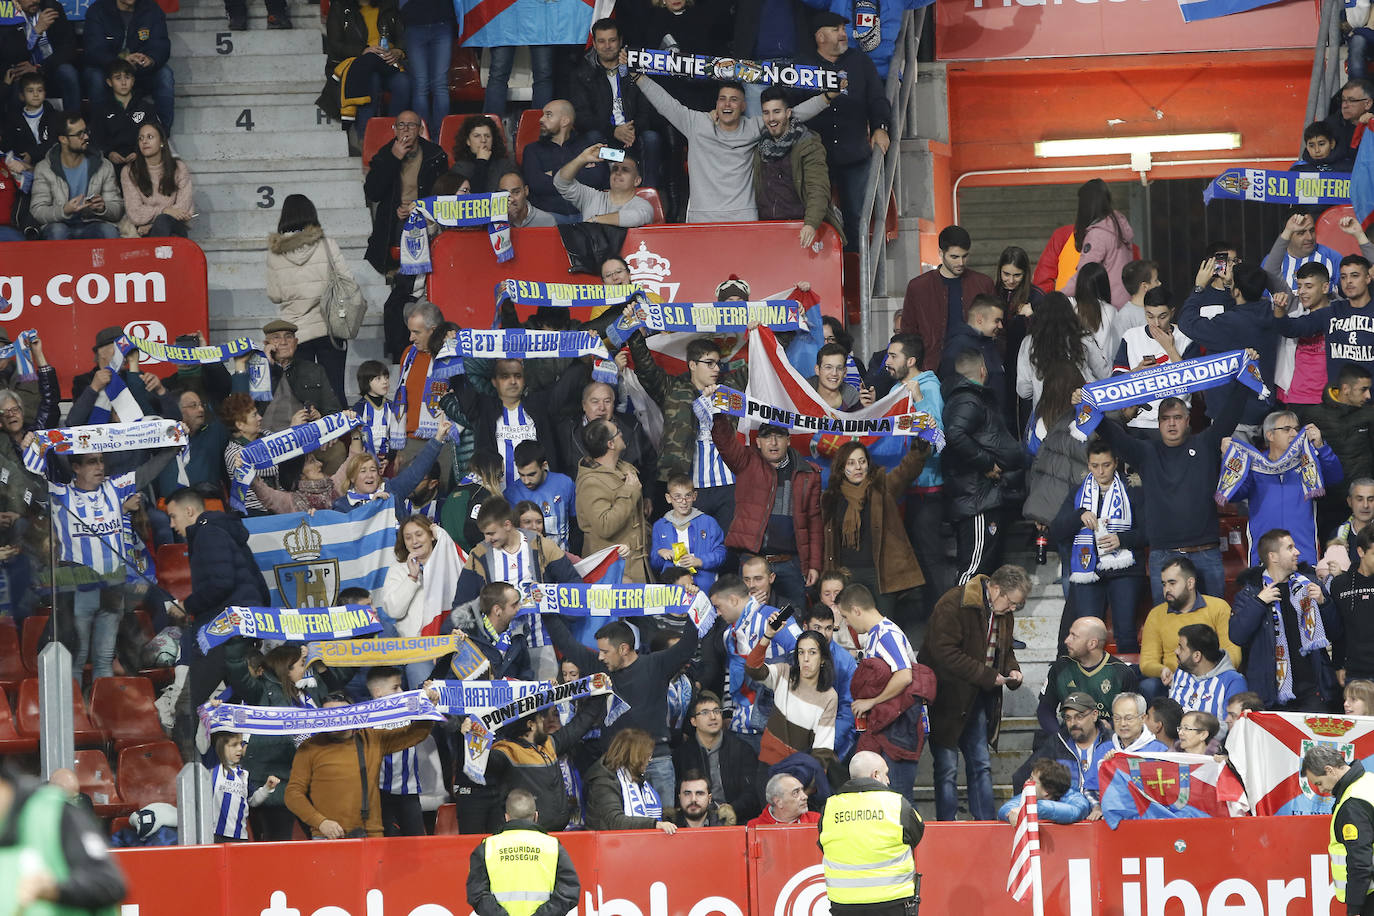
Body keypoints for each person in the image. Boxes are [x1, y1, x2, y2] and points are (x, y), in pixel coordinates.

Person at [1088, 355, 1252, 600]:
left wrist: (1246, 371)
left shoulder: (1205, 443)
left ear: (1188, 421)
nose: (1171, 423)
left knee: (1212, 628)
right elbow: (1110, 432)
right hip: (1163, 555)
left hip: (1205, 552)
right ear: (1158, 423)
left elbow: (1231, 413)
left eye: (1177, 418)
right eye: (1165, 418)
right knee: (1167, 630)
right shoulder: (1146, 452)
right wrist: (1085, 405)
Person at [632, 73, 831, 223]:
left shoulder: (754, 127)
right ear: (716, 103)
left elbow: (794, 114)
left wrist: (828, 97)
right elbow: (666, 104)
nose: (727, 104)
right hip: (702, 220)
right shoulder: (696, 123)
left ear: (743, 106)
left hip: (744, 219)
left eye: (734, 99)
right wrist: (639, 77)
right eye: (722, 99)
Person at [547, 617, 699, 804]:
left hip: (656, 761)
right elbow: (566, 643)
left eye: (605, 651)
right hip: (616, 765)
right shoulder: (600, 668)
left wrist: (694, 609)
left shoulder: (656, 664)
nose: (600, 656)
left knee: (665, 825)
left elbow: (687, 646)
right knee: (621, 829)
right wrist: (546, 608)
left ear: (624, 649)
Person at [918, 565, 1028, 821]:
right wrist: (990, 676)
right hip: (945, 697)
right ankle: (946, 826)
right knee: (947, 767)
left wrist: (1013, 670)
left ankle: (985, 824)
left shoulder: (1002, 611)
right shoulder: (953, 602)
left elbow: (1005, 649)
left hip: (977, 697)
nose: (1012, 609)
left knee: (981, 765)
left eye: (1017, 606)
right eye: (1012, 603)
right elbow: (945, 653)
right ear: (996, 588)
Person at [165, 486, 272, 729]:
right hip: (243, 626)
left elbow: (220, 583)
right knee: (234, 709)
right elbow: (258, 584)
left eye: (173, 516)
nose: (171, 524)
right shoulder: (223, 531)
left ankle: (184, 765)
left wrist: (186, 605)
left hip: (222, 631)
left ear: (190, 511)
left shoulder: (207, 534)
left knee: (187, 706)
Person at [626, 329, 746, 530]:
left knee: (728, 548)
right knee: (689, 547)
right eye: (709, 363)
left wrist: (770, 326)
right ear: (692, 365)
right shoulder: (672, 388)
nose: (716, 369)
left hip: (728, 484)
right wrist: (634, 333)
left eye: (718, 363)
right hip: (686, 487)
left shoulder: (729, 389)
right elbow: (646, 368)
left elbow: (764, 362)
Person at [219, 644, 335, 839]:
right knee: (277, 847)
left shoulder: (309, 689)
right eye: (301, 664)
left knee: (322, 840)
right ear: (286, 669)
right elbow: (238, 673)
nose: (305, 668)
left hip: (309, 781)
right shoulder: (262, 691)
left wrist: (320, 662)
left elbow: (338, 685)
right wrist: (235, 639)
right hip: (275, 785)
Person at [285, 691, 435, 839]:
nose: (334, 718)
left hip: (370, 833)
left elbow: (414, 734)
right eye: (328, 713)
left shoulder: (372, 739)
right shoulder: (309, 747)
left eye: (339, 713)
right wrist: (320, 822)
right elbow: (293, 793)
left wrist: (429, 708)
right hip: (326, 835)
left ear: (353, 714)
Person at [711, 416, 823, 611]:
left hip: (790, 563)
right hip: (752, 561)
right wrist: (717, 415)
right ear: (758, 442)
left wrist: (814, 565)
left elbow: (814, 523)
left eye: (779, 436)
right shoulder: (746, 462)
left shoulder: (808, 472)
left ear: (788, 440)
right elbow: (725, 442)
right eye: (767, 437)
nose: (773, 442)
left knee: (794, 619)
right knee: (750, 617)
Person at [798, 11, 889, 252]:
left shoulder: (860, 62)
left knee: (858, 217)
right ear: (820, 36)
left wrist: (880, 128)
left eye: (842, 29)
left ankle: (858, 275)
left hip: (855, 154)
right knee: (816, 216)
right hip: (816, 158)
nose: (843, 34)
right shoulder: (802, 64)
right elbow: (791, 107)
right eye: (836, 29)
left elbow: (878, 100)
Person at [1047, 440, 1146, 652]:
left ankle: (1128, 683)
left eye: (1106, 465)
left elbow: (1150, 533)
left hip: (1125, 570)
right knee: (1086, 634)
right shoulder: (1077, 493)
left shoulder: (1132, 490)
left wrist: (1122, 539)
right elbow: (1055, 531)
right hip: (1087, 570)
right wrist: (1078, 516)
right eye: (1095, 466)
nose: (1101, 471)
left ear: (1116, 463)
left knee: (1125, 632)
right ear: (1088, 465)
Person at [1231, 528, 1340, 711]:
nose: (1297, 552)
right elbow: (1236, 635)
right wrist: (1259, 603)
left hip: (1313, 691)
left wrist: (1324, 603)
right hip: (1271, 695)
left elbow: (1336, 632)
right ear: (1273, 556)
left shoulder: (1310, 584)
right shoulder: (1250, 594)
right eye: (1290, 548)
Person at [942, 349, 1025, 584]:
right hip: (977, 498)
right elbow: (955, 434)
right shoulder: (968, 398)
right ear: (982, 370)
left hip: (981, 494)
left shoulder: (967, 397)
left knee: (982, 571)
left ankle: (976, 620)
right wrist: (987, 463)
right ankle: (958, 619)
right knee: (973, 571)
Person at [820, 440, 927, 615]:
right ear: (841, 467)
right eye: (851, 463)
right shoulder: (831, 497)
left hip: (880, 575)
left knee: (882, 627)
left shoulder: (882, 487)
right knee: (852, 631)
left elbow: (905, 472)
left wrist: (919, 450)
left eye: (862, 461)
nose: (858, 467)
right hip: (847, 575)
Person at [266, 194, 355, 402]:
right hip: (330, 328)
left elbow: (275, 295)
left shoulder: (274, 253)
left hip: (295, 333)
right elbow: (348, 281)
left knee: (302, 395)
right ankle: (340, 435)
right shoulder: (327, 244)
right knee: (334, 390)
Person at [0, 763, 126, 909]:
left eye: (74, 797)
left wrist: (54, 889)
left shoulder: (56, 814)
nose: (73, 802)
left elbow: (109, 883)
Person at [1227, 413, 1343, 566]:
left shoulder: (1307, 462)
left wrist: (1321, 447)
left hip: (1303, 556)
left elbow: (1335, 477)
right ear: (1270, 435)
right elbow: (1234, 495)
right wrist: (1230, 460)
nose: (1294, 434)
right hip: (1264, 558)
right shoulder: (1254, 466)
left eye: (1296, 429)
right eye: (1287, 429)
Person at [482, 693, 608, 834]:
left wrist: (599, 693)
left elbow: (580, 723)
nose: (545, 722)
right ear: (531, 725)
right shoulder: (506, 751)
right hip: (526, 836)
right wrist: (470, 735)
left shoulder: (549, 744)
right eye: (540, 720)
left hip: (558, 833)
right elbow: (480, 761)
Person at [818, 750, 923, 912]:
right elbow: (917, 834)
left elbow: (824, 845)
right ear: (875, 775)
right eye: (885, 774)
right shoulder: (897, 804)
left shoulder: (829, 808)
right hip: (892, 901)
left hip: (844, 903)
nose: (888, 780)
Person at [569, 19, 664, 194]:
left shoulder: (632, 67)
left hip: (631, 140)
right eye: (602, 41)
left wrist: (631, 131)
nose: (607, 46)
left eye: (612, 40)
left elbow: (648, 109)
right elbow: (582, 117)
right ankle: (605, 195)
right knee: (593, 136)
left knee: (652, 138)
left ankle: (649, 195)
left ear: (620, 41)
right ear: (595, 44)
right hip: (605, 143)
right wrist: (613, 131)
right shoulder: (583, 72)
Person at [1137, 558, 1241, 698]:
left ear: (1190, 583)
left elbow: (1233, 653)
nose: (1167, 589)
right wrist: (1162, 670)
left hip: (1212, 677)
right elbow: (1147, 662)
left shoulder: (1218, 607)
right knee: (1148, 686)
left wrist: (1209, 673)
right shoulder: (1156, 614)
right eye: (1164, 584)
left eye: (1172, 583)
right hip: (1172, 680)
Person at [746, 614, 839, 771]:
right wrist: (768, 635)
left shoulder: (829, 696)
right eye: (801, 652)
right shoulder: (785, 673)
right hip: (767, 763)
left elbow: (822, 749)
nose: (806, 659)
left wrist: (810, 784)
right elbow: (753, 669)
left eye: (812, 652)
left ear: (823, 659)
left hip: (796, 770)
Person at [466, 788, 580, 916]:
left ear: (506, 817)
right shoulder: (552, 846)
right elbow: (569, 891)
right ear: (536, 816)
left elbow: (476, 893)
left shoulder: (487, 848)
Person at [363, 113, 449, 277]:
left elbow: (444, 192)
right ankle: (408, 279)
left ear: (420, 129)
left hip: (429, 214)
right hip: (396, 217)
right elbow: (373, 193)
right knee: (406, 228)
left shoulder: (435, 155)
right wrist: (393, 159)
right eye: (401, 125)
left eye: (411, 125)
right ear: (395, 130)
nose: (406, 130)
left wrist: (420, 208)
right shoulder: (384, 155)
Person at [753, 85, 837, 248]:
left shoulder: (808, 144)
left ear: (789, 113)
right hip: (767, 232)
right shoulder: (760, 145)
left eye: (777, 111)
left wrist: (811, 224)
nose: (771, 118)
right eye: (766, 113)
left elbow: (818, 188)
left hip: (800, 230)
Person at [455, 497, 581, 605]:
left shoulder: (544, 547)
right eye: (484, 534)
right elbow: (462, 604)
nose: (487, 540)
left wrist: (547, 598)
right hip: (495, 632)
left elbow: (574, 586)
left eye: (491, 533)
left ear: (507, 525)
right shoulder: (478, 555)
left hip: (541, 629)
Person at [900, 224, 997, 359]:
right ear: (941, 253)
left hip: (975, 365)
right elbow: (908, 333)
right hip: (933, 367)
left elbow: (997, 328)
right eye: (954, 257)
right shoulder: (918, 287)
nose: (961, 262)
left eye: (965, 256)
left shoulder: (983, 284)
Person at [1012, 692, 1112, 816]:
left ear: (1094, 715)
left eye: (1079, 717)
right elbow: (1022, 777)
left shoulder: (1112, 742)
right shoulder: (1057, 742)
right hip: (1064, 817)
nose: (1073, 723)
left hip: (1106, 817)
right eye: (1068, 718)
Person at [1035, 617, 1138, 736]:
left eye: (1074, 636)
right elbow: (1045, 709)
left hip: (1109, 740)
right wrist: (1059, 737)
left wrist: (1111, 726)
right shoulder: (1060, 668)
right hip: (1069, 736)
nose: (1067, 640)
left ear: (1092, 643)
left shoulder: (1122, 673)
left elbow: (1133, 715)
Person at [576, 418, 650, 583]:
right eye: (617, 431)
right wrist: (629, 492)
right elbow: (605, 526)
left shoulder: (624, 468)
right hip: (613, 574)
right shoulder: (590, 482)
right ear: (610, 444)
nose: (621, 433)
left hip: (637, 567)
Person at [1303, 743, 1374, 914]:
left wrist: (1354, 908)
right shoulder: (1368, 780)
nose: (1321, 789)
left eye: (1319, 782)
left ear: (1330, 770)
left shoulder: (1352, 804)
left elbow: (1359, 862)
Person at [82, 0, 173, 132]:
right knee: (95, 77)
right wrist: (120, 60)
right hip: (108, 69)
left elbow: (161, 44)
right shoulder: (98, 10)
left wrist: (151, 59)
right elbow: (94, 49)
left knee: (165, 74)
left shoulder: (151, 9)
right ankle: (99, 133)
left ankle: (162, 133)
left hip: (140, 71)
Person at [30, 112, 123, 240]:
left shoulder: (103, 165)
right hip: (59, 224)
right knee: (58, 232)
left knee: (109, 232)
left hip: (91, 223)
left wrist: (103, 208)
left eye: (86, 131)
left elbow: (117, 209)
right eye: (79, 134)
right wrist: (64, 210)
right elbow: (38, 211)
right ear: (63, 139)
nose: (86, 137)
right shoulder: (44, 168)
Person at [673, 690, 762, 822]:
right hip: (696, 821)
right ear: (693, 721)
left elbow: (752, 792)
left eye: (716, 711)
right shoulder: (683, 754)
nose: (713, 717)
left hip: (736, 819)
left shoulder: (741, 749)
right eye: (705, 713)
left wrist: (732, 808)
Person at [1016, 291, 1108, 419]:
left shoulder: (1029, 343)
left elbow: (1023, 391)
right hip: (1084, 413)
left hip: (1046, 417)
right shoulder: (1084, 338)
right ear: (1070, 313)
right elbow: (1104, 374)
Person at [1306, 365, 1374, 535]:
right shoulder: (1313, 415)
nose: (1369, 396)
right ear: (1345, 389)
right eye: (1363, 389)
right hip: (1327, 503)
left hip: (1363, 502)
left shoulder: (1370, 415)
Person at [252, 319, 343, 433]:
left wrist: (322, 419)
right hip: (267, 439)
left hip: (306, 435)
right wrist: (267, 365)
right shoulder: (256, 370)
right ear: (266, 344)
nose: (284, 342)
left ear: (296, 343)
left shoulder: (314, 370)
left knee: (337, 449)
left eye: (288, 337)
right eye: (276, 337)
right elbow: (243, 411)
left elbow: (334, 410)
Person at [584, 728, 678, 833]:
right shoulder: (603, 782)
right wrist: (653, 824)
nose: (649, 760)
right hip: (607, 845)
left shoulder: (637, 779)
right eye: (647, 756)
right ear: (635, 756)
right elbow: (615, 821)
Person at [1, 0, 80, 114]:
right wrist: (36, 31)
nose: (35, 1)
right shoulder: (8, 14)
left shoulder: (52, 7)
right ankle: (17, 129)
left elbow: (68, 47)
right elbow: (10, 54)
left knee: (68, 73)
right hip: (21, 71)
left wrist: (40, 68)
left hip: (49, 68)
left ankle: (73, 123)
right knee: (14, 80)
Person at [1063, 179, 1134, 305]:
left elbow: (1084, 275)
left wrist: (1058, 296)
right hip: (1126, 300)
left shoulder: (1098, 234)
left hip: (1109, 306)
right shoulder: (1117, 226)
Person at [651, 473, 725, 590]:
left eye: (688, 496)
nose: (683, 501)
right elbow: (655, 564)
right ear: (668, 498)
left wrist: (700, 561)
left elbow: (721, 554)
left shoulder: (708, 522)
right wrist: (660, 553)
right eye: (678, 496)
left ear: (695, 496)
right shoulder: (660, 526)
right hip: (673, 587)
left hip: (704, 585)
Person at [120, 119, 190, 239]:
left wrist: (153, 223)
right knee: (162, 225)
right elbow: (135, 213)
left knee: (163, 222)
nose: (144, 141)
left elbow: (183, 210)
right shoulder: (129, 171)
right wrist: (164, 210)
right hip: (144, 231)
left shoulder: (179, 168)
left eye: (150, 137)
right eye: (141, 138)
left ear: (162, 142)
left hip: (174, 226)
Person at [554, 144, 654, 227]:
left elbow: (637, 217)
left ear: (637, 181)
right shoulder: (591, 197)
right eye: (615, 169)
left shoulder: (643, 205)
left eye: (625, 170)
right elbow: (561, 183)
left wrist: (594, 220)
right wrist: (581, 159)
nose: (618, 173)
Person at [505, 441, 577, 553]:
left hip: (564, 559)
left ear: (544, 465)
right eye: (521, 474)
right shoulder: (511, 494)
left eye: (531, 474)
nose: (526, 481)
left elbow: (576, 524)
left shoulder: (565, 483)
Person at [90, 59, 158, 173]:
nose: (123, 83)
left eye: (127, 77)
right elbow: (96, 139)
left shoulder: (146, 107)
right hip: (110, 166)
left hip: (142, 163)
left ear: (133, 81)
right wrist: (109, 153)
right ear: (109, 82)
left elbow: (156, 135)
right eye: (118, 78)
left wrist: (139, 152)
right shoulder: (101, 109)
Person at [210, 731, 279, 842]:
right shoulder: (212, 769)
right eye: (234, 745)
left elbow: (252, 801)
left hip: (239, 836)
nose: (239, 749)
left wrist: (267, 788)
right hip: (213, 834)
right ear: (221, 747)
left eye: (241, 744)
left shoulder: (244, 775)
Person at [1169, 623, 1250, 717]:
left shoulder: (1233, 682)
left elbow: (1231, 725)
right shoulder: (1181, 672)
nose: (1176, 651)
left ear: (1197, 656)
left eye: (1181, 648)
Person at [939, 297, 1007, 407]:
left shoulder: (990, 343)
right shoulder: (957, 346)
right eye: (996, 320)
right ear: (980, 319)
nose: (1000, 326)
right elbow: (948, 384)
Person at [1264, 210, 1344, 296]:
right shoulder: (1272, 262)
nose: (1309, 237)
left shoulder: (1332, 258)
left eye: (1312, 230)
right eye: (1301, 233)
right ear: (1288, 235)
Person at [999, 759, 1091, 825]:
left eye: (1032, 780)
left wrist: (1031, 810)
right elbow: (1006, 808)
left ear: (1046, 791)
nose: (1026, 782)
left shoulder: (1073, 797)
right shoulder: (1028, 794)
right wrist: (1012, 814)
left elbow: (1076, 812)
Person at [448, 115, 515, 194]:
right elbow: (472, 197)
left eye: (487, 136)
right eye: (477, 136)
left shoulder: (505, 165)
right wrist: (481, 162)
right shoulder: (460, 168)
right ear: (468, 141)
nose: (483, 140)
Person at [748, 772, 819, 827]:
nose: (805, 796)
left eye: (802, 790)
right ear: (779, 802)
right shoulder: (754, 827)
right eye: (796, 792)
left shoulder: (817, 821)